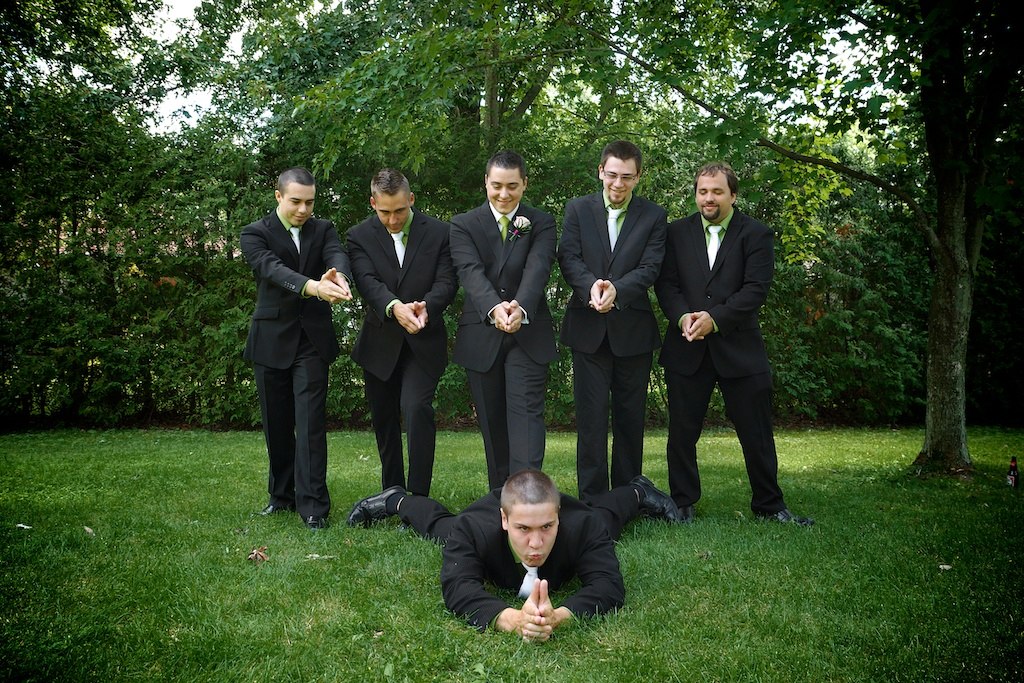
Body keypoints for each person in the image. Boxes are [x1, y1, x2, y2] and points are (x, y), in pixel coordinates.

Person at [654, 161, 813, 525]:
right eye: (703, 191)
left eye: (717, 192)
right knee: (681, 434)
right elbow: (666, 285)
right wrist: (683, 318)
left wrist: (716, 320)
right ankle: (682, 504)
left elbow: (755, 290)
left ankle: (770, 506)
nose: (709, 198)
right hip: (686, 344)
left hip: (740, 349)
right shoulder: (675, 233)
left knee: (756, 433)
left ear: (733, 195)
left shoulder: (756, 234)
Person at [346, 469, 681, 640]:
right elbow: (458, 588)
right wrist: (512, 619)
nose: (535, 543)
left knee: (605, 520)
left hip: (578, 517)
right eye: (523, 530)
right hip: (477, 521)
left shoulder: (582, 526)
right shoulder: (472, 529)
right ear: (504, 520)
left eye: (547, 528)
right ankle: (397, 500)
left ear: (558, 516)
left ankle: (638, 492)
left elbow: (608, 586)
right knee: (441, 528)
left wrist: (558, 617)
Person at [240, 167, 353, 530]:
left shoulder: (323, 230)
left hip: (312, 342)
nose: (304, 209)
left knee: (310, 424)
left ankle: (314, 507)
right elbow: (271, 269)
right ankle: (282, 497)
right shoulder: (255, 233)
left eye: (310, 202)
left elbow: (337, 256)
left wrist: (339, 277)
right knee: (277, 425)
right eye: (296, 201)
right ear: (278, 196)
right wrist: (312, 287)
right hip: (271, 339)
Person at [557, 140, 667, 502]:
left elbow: (651, 266)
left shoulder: (653, 216)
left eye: (627, 177)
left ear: (639, 177)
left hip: (632, 330)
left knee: (630, 420)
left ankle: (626, 497)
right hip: (587, 329)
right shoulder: (577, 209)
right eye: (613, 175)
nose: (618, 184)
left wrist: (617, 290)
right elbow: (569, 256)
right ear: (600, 171)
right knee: (590, 422)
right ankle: (591, 499)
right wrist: (592, 287)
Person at [449, 151, 558, 490]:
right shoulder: (463, 224)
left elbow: (537, 268)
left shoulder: (541, 222)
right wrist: (495, 309)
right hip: (482, 332)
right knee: (493, 425)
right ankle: (500, 501)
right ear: (486, 182)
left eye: (512, 186)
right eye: (496, 186)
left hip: (528, 331)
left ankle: (529, 496)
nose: (504, 194)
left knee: (526, 419)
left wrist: (519, 308)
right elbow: (470, 271)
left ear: (524, 184)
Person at [347, 169, 457, 496]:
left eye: (399, 210)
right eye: (384, 212)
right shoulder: (359, 236)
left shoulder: (440, 232)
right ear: (373, 203)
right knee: (384, 420)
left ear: (411, 199)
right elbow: (367, 282)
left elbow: (448, 282)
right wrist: (395, 307)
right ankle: (392, 493)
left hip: (424, 341)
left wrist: (427, 306)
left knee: (416, 408)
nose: (393, 219)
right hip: (379, 343)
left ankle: (418, 497)